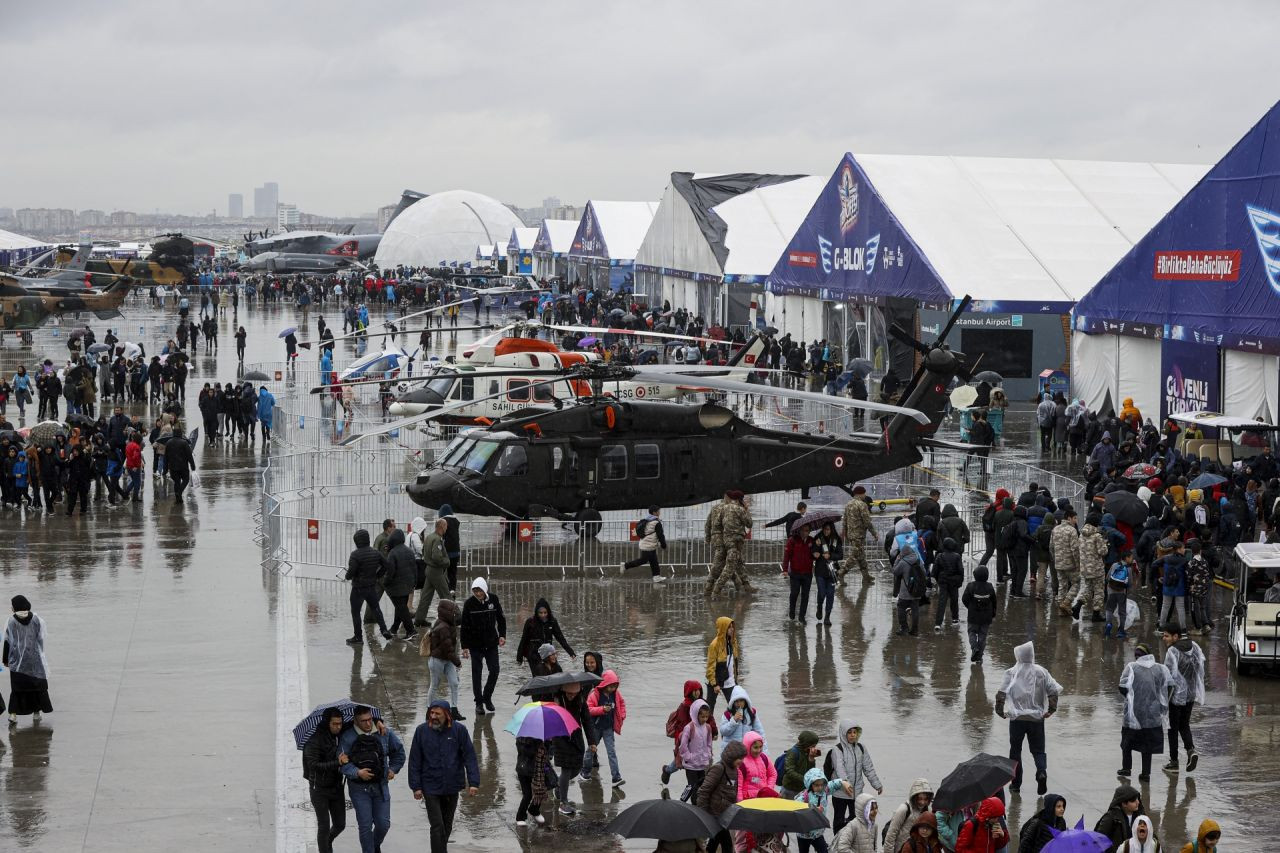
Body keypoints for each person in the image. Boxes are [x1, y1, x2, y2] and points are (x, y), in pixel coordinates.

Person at [408, 700, 480, 853]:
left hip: (452, 786)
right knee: (437, 825)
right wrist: (416, 786)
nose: (433, 716)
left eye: (437, 714)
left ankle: (441, 849)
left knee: (447, 825)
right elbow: (415, 760)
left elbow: (470, 756)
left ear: (447, 715)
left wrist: (474, 782)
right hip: (430, 786)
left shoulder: (459, 731)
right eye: (431, 713)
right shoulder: (421, 731)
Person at [995, 641, 1061, 794]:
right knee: (1038, 750)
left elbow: (1001, 693)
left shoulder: (1011, 672)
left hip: (1017, 719)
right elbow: (1053, 690)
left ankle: (1016, 783)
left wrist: (1000, 711)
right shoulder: (1041, 672)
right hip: (1037, 719)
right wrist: (1051, 709)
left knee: (1015, 751)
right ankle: (1041, 771)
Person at [338, 705, 406, 853]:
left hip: (381, 786)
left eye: (370, 719)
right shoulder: (347, 737)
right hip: (359, 790)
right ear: (355, 721)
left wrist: (393, 769)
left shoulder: (384, 733)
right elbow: (342, 764)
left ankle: (374, 846)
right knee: (365, 826)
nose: (368, 724)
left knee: (383, 824)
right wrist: (357, 772)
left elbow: (399, 753)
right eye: (363, 721)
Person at [1118, 644, 1172, 782]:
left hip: (1133, 713)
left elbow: (1122, 686)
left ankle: (1126, 768)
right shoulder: (1161, 669)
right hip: (1152, 714)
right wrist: (1162, 704)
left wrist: (1131, 700)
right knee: (1147, 745)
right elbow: (1170, 686)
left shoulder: (1131, 667)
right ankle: (1145, 773)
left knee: (1127, 742)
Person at [303, 707, 347, 853]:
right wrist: (338, 763)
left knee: (340, 824)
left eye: (340, 723)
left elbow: (359, 723)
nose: (338, 727)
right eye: (335, 724)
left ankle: (327, 842)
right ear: (327, 723)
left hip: (336, 786)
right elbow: (313, 765)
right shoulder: (314, 740)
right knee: (324, 826)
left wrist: (378, 722)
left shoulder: (340, 734)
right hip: (319, 788)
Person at [1162, 623, 1205, 773]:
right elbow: (1200, 669)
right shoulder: (1194, 646)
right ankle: (1190, 750)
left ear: (1176, 636)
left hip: (1176, 696)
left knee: (1172, 728)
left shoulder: (1172, 652)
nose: (1163, 638)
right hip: (1190, 694)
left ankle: (1174, 762)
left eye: (1166, 635)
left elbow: (1167, 677)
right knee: (1184, 724)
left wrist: (1163, 699)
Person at [459, 577, 505, 717]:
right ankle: (479, 703)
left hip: (491, 643)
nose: (478, 594)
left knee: (494, 670)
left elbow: (501, 619)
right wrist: (464, 646)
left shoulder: (494, 600)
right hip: (475, 645)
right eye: (475, 591)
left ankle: (487, 696)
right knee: (476, 674)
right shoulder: (469, 604)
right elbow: (464, 626)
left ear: (485, 589)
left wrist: (502, 635)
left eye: (479, 591)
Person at [4, 595, 51, 724]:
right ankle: (36, 713)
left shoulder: (11, 621)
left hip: (17, 661)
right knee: (35, 687)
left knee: (17, 689)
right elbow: (40, 638)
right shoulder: (36, 619)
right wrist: (39, 655)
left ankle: (13, 715)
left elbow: (7, 641)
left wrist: (5, 659)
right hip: (34, 660)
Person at [694, 739, 747, 853]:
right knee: (727, 845)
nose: (742, 761)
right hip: (714, 815)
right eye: (740, 758)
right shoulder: (719, 768)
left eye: (743, 758)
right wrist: (704, 814)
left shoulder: (736, 771)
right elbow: (704, 791)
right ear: (732, 757)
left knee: (714, 844)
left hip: (725, 815)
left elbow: (733, 792)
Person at [661, 680, 717, 786]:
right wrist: (682, 741)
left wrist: (714, 731)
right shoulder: (685, 706)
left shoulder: (703, 704)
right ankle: (667, 770)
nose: (697, 693)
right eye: (694, 690)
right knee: (679, 762)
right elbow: (681, 724)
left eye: (698, 690)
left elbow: (710, 718)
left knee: (702, 763)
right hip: (688, 739)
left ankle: (698, 788)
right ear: (689, 691)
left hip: (701, 738)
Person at [829, 720, 881, 832]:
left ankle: (852, 841)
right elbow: (839, 769)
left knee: (856, 819)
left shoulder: (861, 748)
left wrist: (877, 784)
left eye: (855, 732)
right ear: (844, 734)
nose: (853, 735)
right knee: (838, 820)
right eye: (849, 732)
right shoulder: (837, 749)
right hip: (840, 793)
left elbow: (868, 768)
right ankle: (838, 843)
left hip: (857, 793)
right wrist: (845, 782)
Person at [345, 529, 392, 644]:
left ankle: (358, 637)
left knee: (356, 612)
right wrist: (377, 575)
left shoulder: (355, 555)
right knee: (376, 609)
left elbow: (351, 572)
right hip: (371, 586)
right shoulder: (375, 553)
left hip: (358, 588)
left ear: (357, 541)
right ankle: (384, 629)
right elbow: (386, 565)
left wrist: (347, 576)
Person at [582, 669, 627, 786]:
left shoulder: (616, 694)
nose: (612, 689)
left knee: (611, 752)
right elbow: (588, 709)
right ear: (604, 684)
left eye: (614, 686)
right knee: (591, 750)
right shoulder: (595, 694)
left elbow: (622, 704)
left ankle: (616, 777)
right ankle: (585, 772)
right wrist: (602, 709)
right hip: (595, 727)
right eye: (610, 686)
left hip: (608, 727)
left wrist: (622, 715)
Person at [795, 768, 856, 853]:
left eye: (822, 784)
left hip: (817, 833)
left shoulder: (825, 790)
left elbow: (833, 784)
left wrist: (843, 782)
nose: (820, 787)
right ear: (810, 785)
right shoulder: (803, 797)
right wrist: (812, 810)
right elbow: (796, 810)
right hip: (803, 834)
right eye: (816, 785)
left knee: (823, 851)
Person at [552, 681, 589, 815]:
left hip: (576, 737)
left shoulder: (581, 701)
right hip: (560, 738)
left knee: (577, 767)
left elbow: (587, 720)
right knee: (566, 768)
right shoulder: (556, 700)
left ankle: (559, 787)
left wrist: (592, 742)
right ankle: (563, 802)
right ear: (564, 691)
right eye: (569, 693)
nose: (571, 696)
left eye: (574, 693)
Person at [515, 596, 576, 675]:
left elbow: (560, 637)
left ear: (548, 612)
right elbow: (524, 639)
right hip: (534, 654)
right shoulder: (530, 622)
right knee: (539, 676)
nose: (543, 615)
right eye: (540, 613)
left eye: (545, 613)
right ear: (537, 612)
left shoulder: (552, 621)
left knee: (556, 672)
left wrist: (570, 652)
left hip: (549, 653)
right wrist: (519, 657)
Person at [712, 490, 755, 595]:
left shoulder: (724, 508)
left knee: (739, 563)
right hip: (736, 542)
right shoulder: (740, 510)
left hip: (726, 540)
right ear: (740, 500)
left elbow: (717, 524)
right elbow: (749, 524)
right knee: (730, 567)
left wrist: (723, 535)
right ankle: (716, 591)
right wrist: (746, 510)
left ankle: (747, 586)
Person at [414, 519, 453, 626]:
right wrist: (447, 562)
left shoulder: (428, 537)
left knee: (426, 596)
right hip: (436, 571)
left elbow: (423, 551)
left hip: (428, 569)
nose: (446, 528)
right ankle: (455, 618)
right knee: (446, 596)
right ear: (441, 526)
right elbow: (437, 557)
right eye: (446, 526)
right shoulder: (437, 539)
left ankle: (419, 619)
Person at [679, 698, 718, 802]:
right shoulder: (689, 727)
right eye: (702, 716)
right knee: (691, 786)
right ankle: (682, 801)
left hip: (702, 764)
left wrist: (708, 755)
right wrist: (689, 757)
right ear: (696, 714)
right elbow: (683, 746)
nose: (705, 719)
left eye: (706, 716)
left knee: (701, 787)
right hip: (691, 765)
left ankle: (696, 806)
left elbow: (709, 743)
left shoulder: (708, 728)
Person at [383, 529, 419, 641]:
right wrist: (414, 582)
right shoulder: (409, 551)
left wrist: (385, 582)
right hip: (408, 585)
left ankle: (411, 631)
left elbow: (390, 572)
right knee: (400, 607)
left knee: (401, 608)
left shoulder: (393, 553)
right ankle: (394, 628)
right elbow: (415, 568)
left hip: (396, 587)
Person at [882, 778, 935, 853]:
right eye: (919, 799)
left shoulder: (928, 811)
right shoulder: (904, 809)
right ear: (914, 796)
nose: (922, 802)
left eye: (925, 799)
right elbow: (891, 835)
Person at [622, 505, 668, 581]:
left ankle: (656, 577)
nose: (659, 512)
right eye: (658, 511)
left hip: (647, 543)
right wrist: (664, 545)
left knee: (654, 561)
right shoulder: (656, 523)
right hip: (648, 545)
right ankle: (625, 566)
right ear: (654, 512)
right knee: (643, 560)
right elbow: (660, 535)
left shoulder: (647, 520)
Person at [705, 616, 740, 714]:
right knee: (709, 708)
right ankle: (708, 728)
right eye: (729, 627)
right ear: (723, 628)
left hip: (730, 680)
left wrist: (736, 678)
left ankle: (735, 726)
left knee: (735, 707)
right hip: (715, 681)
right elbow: (710, 667)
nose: (732, 629)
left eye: (733, 627)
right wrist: (714, 684)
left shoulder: (733, 642)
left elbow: (734, 661)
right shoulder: (714, 645)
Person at [1079, 512, 1110, 622]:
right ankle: (1096, 614)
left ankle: (1078, 605)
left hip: (1085, 567)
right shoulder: (1097, 536)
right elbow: (1103, 551)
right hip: (1096, 568)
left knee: (1088, 588)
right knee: (1098, 591)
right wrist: (1105, 543)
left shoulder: (1081, 534)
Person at [1095, 785, 1146, 851]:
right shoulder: (1111, 818)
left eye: (1137, 799)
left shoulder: (1141, 816)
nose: (1138, 802)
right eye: (1133, 801)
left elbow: (1151, 836)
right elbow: (1099, 840)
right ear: (1124, 804)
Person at [1052, 509, 1081, 617]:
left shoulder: (1055, 529)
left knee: (1062, 586)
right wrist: (1078, 564)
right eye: (1075, 518)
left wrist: (1056, 558)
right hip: (1070, 564)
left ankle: (1061, 610)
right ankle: (1067, 602)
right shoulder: (1072, 530)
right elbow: (1075, 549)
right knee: (1076, 583)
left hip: (1058, 562)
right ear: (1069, 518)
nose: (1076, 521)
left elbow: (1051, 546)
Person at [784, 523, 816, 622]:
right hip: (795, 572)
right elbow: (787, 556)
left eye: (807, 531)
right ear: (799, 530)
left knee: (805, 595)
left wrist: (816, 553)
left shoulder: (812, 541)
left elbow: (814, 556)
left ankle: (802, 616)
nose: (805, 532)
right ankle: (792, 611)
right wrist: (785, 570)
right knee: (794, 593)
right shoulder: (792, 540)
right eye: (803, 530)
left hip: (807, 573)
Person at [811, 521, 842, 624]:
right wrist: (815, 550)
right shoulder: (818, 538)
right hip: (820, 571)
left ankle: (827, 616)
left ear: (831, 529)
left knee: (830, 594)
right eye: (824, 529)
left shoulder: (836, 540)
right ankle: (819, 607)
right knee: (822, 593)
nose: (826, 531)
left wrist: (831, 556)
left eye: (828, 529)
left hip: (832, 572)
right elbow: (812, 552)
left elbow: (840, 555)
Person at [841, 486, 875, 580]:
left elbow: (845, 520)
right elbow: (867, 522)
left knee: (861, 555)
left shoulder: (848, 504)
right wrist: (874, 533)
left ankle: (866, 576)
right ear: (860, 494)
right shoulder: (862, 505)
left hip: (851, 535)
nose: (865, 495)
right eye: (864, 493)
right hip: (859, 535)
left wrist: (844, 532)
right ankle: (841, 573)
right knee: (855, 556)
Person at [892, 547, 927, 636]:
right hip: (917, 590)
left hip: (905, 591)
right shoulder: (918, 560)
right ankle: (915, 630)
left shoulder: (903, 562)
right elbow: (924, 572)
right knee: (915, 609)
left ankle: (904, 628)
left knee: (901, 607)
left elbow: (895, 571)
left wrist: (897, 560)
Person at [932, 538, 964, 632]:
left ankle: (938, 623)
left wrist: (937, 580)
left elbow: (935, 570)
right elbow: (960, 570)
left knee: (942, 602)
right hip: (954, 582)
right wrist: (960, 581)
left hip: (943, 582)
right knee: (954, 600)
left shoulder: (939, 556)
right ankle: (955, 619)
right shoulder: (957, 556)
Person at [704, 492, 733, 594]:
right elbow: (728, 525)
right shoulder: (728, 509)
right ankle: (710, 586)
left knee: (726, 561)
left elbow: (707, 524)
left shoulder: (715, 508)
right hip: (724, 537)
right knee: (720, 562)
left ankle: (740, 584)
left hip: (715, 537)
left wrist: (708, 537)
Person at [780, 730, 822, 797]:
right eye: (812, 746)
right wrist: (805, 779)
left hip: (802, 788)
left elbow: (810, 771)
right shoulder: (793, 752)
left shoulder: (806, 752)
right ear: (806, 744)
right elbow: (789, 771)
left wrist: (811, 758)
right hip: (790, 789)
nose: (814, 748)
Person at [1105, 552, 1136, 639]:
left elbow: (1107, 578)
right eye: (1131, 558)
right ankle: (1120, 631)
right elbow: (1129, 583)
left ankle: (1108, 624)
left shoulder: (1114, 565)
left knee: (1109, 609)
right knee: (1122, 612)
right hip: (1122, 593)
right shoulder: (1128, 569)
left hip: (1111, 591)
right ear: (1126, 558)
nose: (1132, 559)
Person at [737, 730, 776, 800]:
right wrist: (740, 802)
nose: (759, 750)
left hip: (763, 799)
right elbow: (738, 786)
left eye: (760, 747)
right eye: (755, 747)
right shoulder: (741, 763)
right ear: (747, 747)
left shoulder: (764, 758)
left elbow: (773, 774)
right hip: (748, 800)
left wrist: (768, 789)